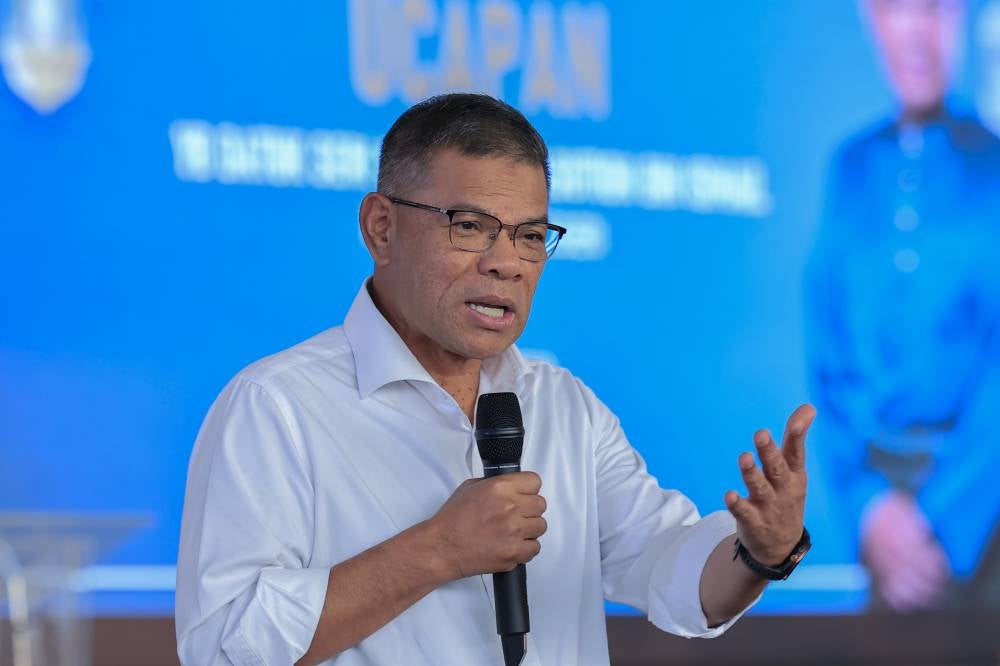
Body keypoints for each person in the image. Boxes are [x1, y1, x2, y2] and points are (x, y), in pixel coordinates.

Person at [176, 93, 815, 665]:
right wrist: (437, 549)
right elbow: (223, 647)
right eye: (471, 226)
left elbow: (667, 571)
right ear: (381, 228)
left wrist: (762, 552)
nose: (507, 263)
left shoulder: (564, 406)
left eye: (531, 235)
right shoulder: (277, 407)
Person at [806, 0, 1000, 613]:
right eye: (896, 9)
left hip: (980, 518)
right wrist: (869, 507)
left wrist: (942, 526)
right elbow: (828, 352)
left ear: (967, 18)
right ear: (871, 19)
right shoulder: (852, 167)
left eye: (935, 10)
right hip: (881, 530)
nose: (916, 31)